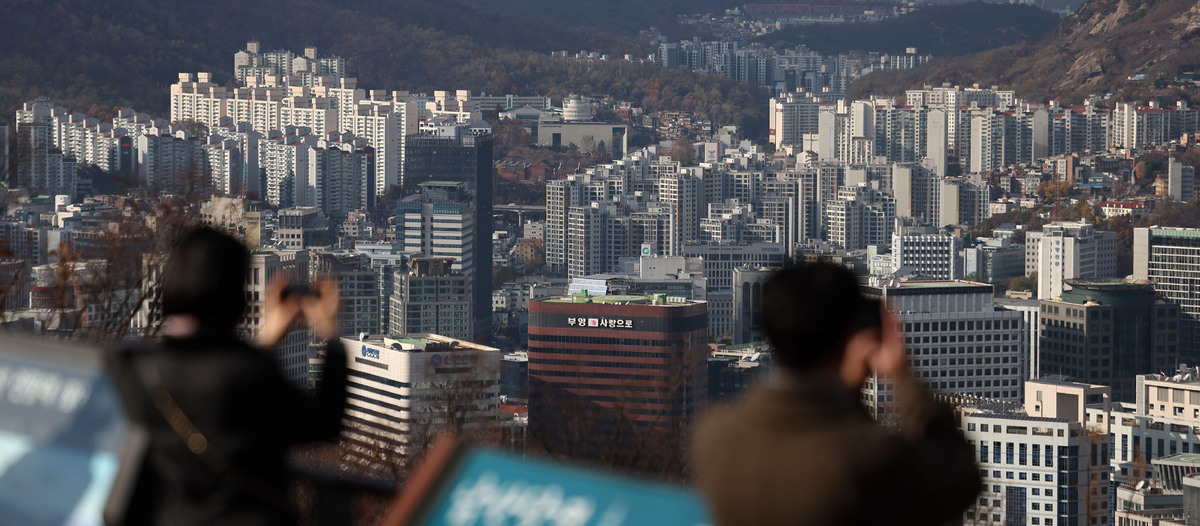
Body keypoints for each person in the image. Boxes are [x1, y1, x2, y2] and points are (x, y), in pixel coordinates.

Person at [692, 263, 981, 525]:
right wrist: (902, 377)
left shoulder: (715, 435)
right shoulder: (868, 456)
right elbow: (960, 481)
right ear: (848, 337)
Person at [109, 226, 347, 526]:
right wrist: (331, 336)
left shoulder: (136, 369)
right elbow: (322, 422)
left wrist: (265, 340)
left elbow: (212, 371)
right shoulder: (248, 374)